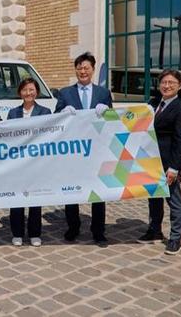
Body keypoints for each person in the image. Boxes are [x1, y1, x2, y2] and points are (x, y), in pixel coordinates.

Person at [55, 52, 112, 247]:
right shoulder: (65, 93)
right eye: (79, 68)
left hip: (97, 150)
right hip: (73, 150)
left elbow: (112, 121)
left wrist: (108, 112)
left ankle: (98, 230)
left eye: (86, 68)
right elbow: (55, 118)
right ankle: (73, 227)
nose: (83, 71)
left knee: (99, 191)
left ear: (93, 69)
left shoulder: (103, 93)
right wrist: (62, 112)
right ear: (75, 70)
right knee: (72, 190)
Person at [137, 69, 181, 255]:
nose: (167, 86)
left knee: (173, 200)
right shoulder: (153, 104)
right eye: (164, 82)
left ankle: (175, 238)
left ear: (179, 86)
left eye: (171, 83)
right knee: (153, 198)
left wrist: (174, 168)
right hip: (150, 161)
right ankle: (154, 230)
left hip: (168, 163)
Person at [6, 78, 51, 247]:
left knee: (35, 198)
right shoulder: (13, 113)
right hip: (18, 162)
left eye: (31, 89)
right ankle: (17, 233)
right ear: (20, 93)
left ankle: (34, 233)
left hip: (36, 161)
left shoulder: (45, 112)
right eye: (25, 90)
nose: (28, 93)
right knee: (17, 198)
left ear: (37, 92)